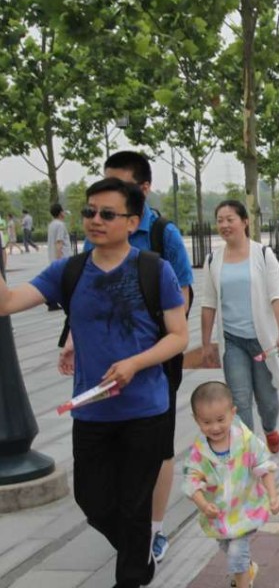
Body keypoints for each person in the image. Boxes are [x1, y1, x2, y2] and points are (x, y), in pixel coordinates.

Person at [0, 177, 188, 588]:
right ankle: (139, 554)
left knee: (134, 503)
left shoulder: (154, 270)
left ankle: (132, 575)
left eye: (107, 214)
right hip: (91, 408)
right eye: (89, 212)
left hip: (145, 408)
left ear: (132, 220)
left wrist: (134, 363)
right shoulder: (68, 271)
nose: (95, 221)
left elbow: (179, 336)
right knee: (93, 499)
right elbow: (7, 303)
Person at [68, 150, 196, 564]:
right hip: (102, 378)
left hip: (154, 363)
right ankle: (135, 535)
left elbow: (182, 298)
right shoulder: (97, 234)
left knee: (156, 450)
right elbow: (88, 293)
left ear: (141, 193)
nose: (100, 216)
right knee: (104, 471)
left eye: (119, 190)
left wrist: (147, 351)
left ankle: (152, 531)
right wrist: (74, 336)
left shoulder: (162, 235)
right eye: (94, 209)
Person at [201, 201, 279, 454]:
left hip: (263, 342)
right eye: (220, 220)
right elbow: (208, 303)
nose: (224, 225)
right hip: (233, 341)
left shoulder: (263, 254)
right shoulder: (213, 260)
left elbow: (277, 296)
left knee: (268, 401)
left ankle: (271, 428)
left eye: (230, 219)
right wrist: (207, 343)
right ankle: (251, 455)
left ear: (244, 221)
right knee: (239, 400)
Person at [183, 381, 279, 588]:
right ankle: (248, 568)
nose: (215, 427)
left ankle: (243, 582)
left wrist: (273, 496)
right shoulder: (199, 451)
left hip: (246, 508)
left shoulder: (245, 440)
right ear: (196, 420)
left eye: (220, 419)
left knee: (236, 555)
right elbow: (191, 480)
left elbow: (264, 465)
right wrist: (202, 504)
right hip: (219, 515)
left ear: (233, 412)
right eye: (207, 422)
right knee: (228, 547)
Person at [45, 203, 71, 311]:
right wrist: (60, 258)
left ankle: (52, 301)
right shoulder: (60, 225)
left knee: (58, 280)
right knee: (63, 280)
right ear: (60, 212)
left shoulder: (51, 225)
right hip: (62, 257)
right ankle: (51, 299)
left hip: (53, 256)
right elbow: (59, 242)